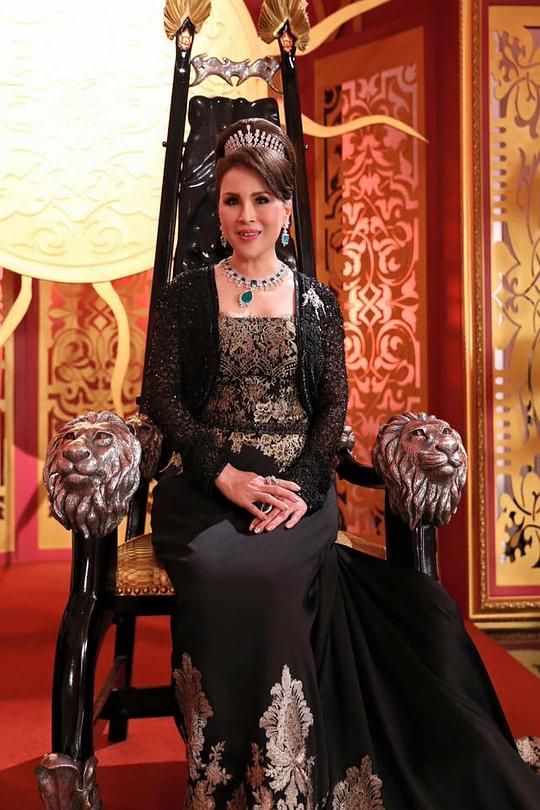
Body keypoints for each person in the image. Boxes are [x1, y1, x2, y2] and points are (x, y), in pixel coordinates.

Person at [144, 118, 540, 809]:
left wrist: (301, 488)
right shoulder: (185, 296)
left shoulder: (316, 302)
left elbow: (333, 410)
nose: (246, 216)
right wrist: (223, 474)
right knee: (216, 572)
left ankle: (284, 782)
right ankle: (225, 778)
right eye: (233, 200)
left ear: (285, 209)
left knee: (272, 581)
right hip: (207, 487)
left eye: (262, 200)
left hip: (295, 487)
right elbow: (161, 398)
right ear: (219, 210)